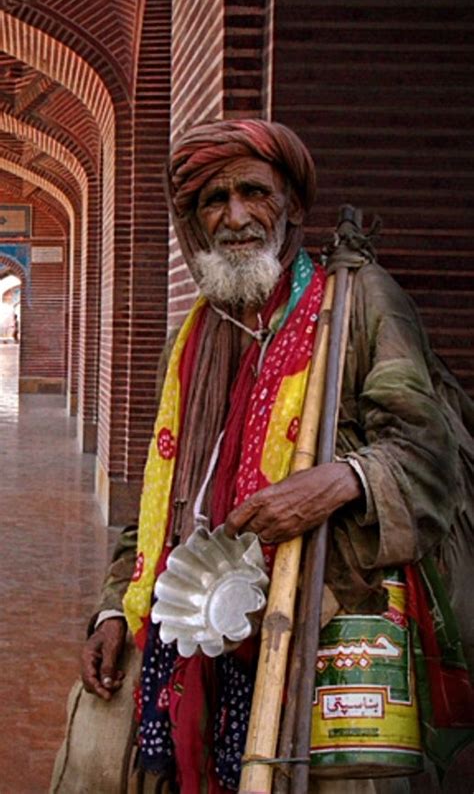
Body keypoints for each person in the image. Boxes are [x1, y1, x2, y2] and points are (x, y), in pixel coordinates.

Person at [80, 119, 474, 793]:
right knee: (98, 754)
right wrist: (115, 607)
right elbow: (163, 498)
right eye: (213, 200)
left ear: (291, 205)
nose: (236, 217)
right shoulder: (191, 340)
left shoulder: (356, 305)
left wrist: (344, 479)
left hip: (322, 620)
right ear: (195, 222)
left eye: (253, 193)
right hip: (195, 637)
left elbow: (431, 456)